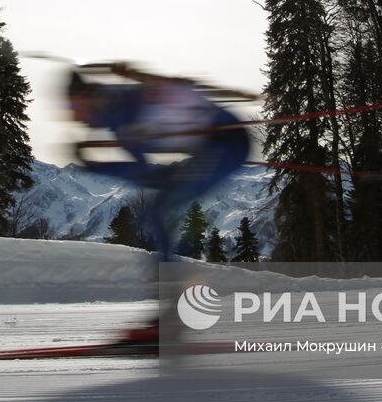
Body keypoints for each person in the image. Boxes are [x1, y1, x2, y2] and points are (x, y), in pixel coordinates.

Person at [67, 62, 253, 263]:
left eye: (73, 106)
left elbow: (141, 173)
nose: (73, 116)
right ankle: (168, 272)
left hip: (227, 143)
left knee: (161, 206)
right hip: (215, 143)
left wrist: (95, 166)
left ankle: (171, 273)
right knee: (158, 207)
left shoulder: (123, 120)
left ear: (88, 99)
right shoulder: (118, 105)